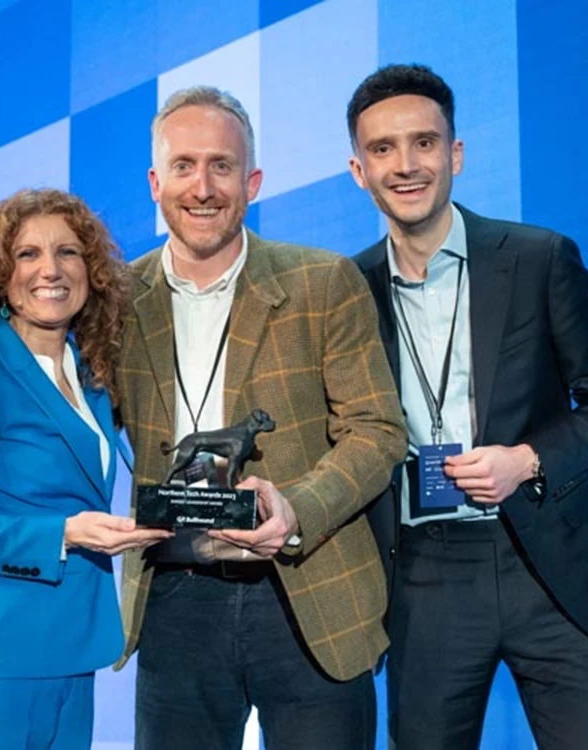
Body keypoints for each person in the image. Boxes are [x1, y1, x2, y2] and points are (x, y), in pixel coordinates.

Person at [346, 64, 588, 750]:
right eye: (383, 149)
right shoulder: (344, 291)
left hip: (552, 563)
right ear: (359, 169)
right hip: (425, 573)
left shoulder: (539, 258)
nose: (406, 164)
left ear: (455, 154)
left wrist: (528, 459)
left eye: (424, 143)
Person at [115, 86, 407, 750]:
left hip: (308, 592)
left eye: (222, 166)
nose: (203, 186)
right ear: (155, 183)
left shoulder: (321, 282)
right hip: (175, 597)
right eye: (184, 166)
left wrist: (296, 506)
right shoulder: (115, 302)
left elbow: (379, 430)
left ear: (253, 181)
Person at [0, 188, 172, 749]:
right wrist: (60, 534)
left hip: (70, 661)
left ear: (90, 270)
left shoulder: (91, 380)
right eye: (28, 255)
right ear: (0, 273)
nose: (51, 269)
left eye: (69, 253)